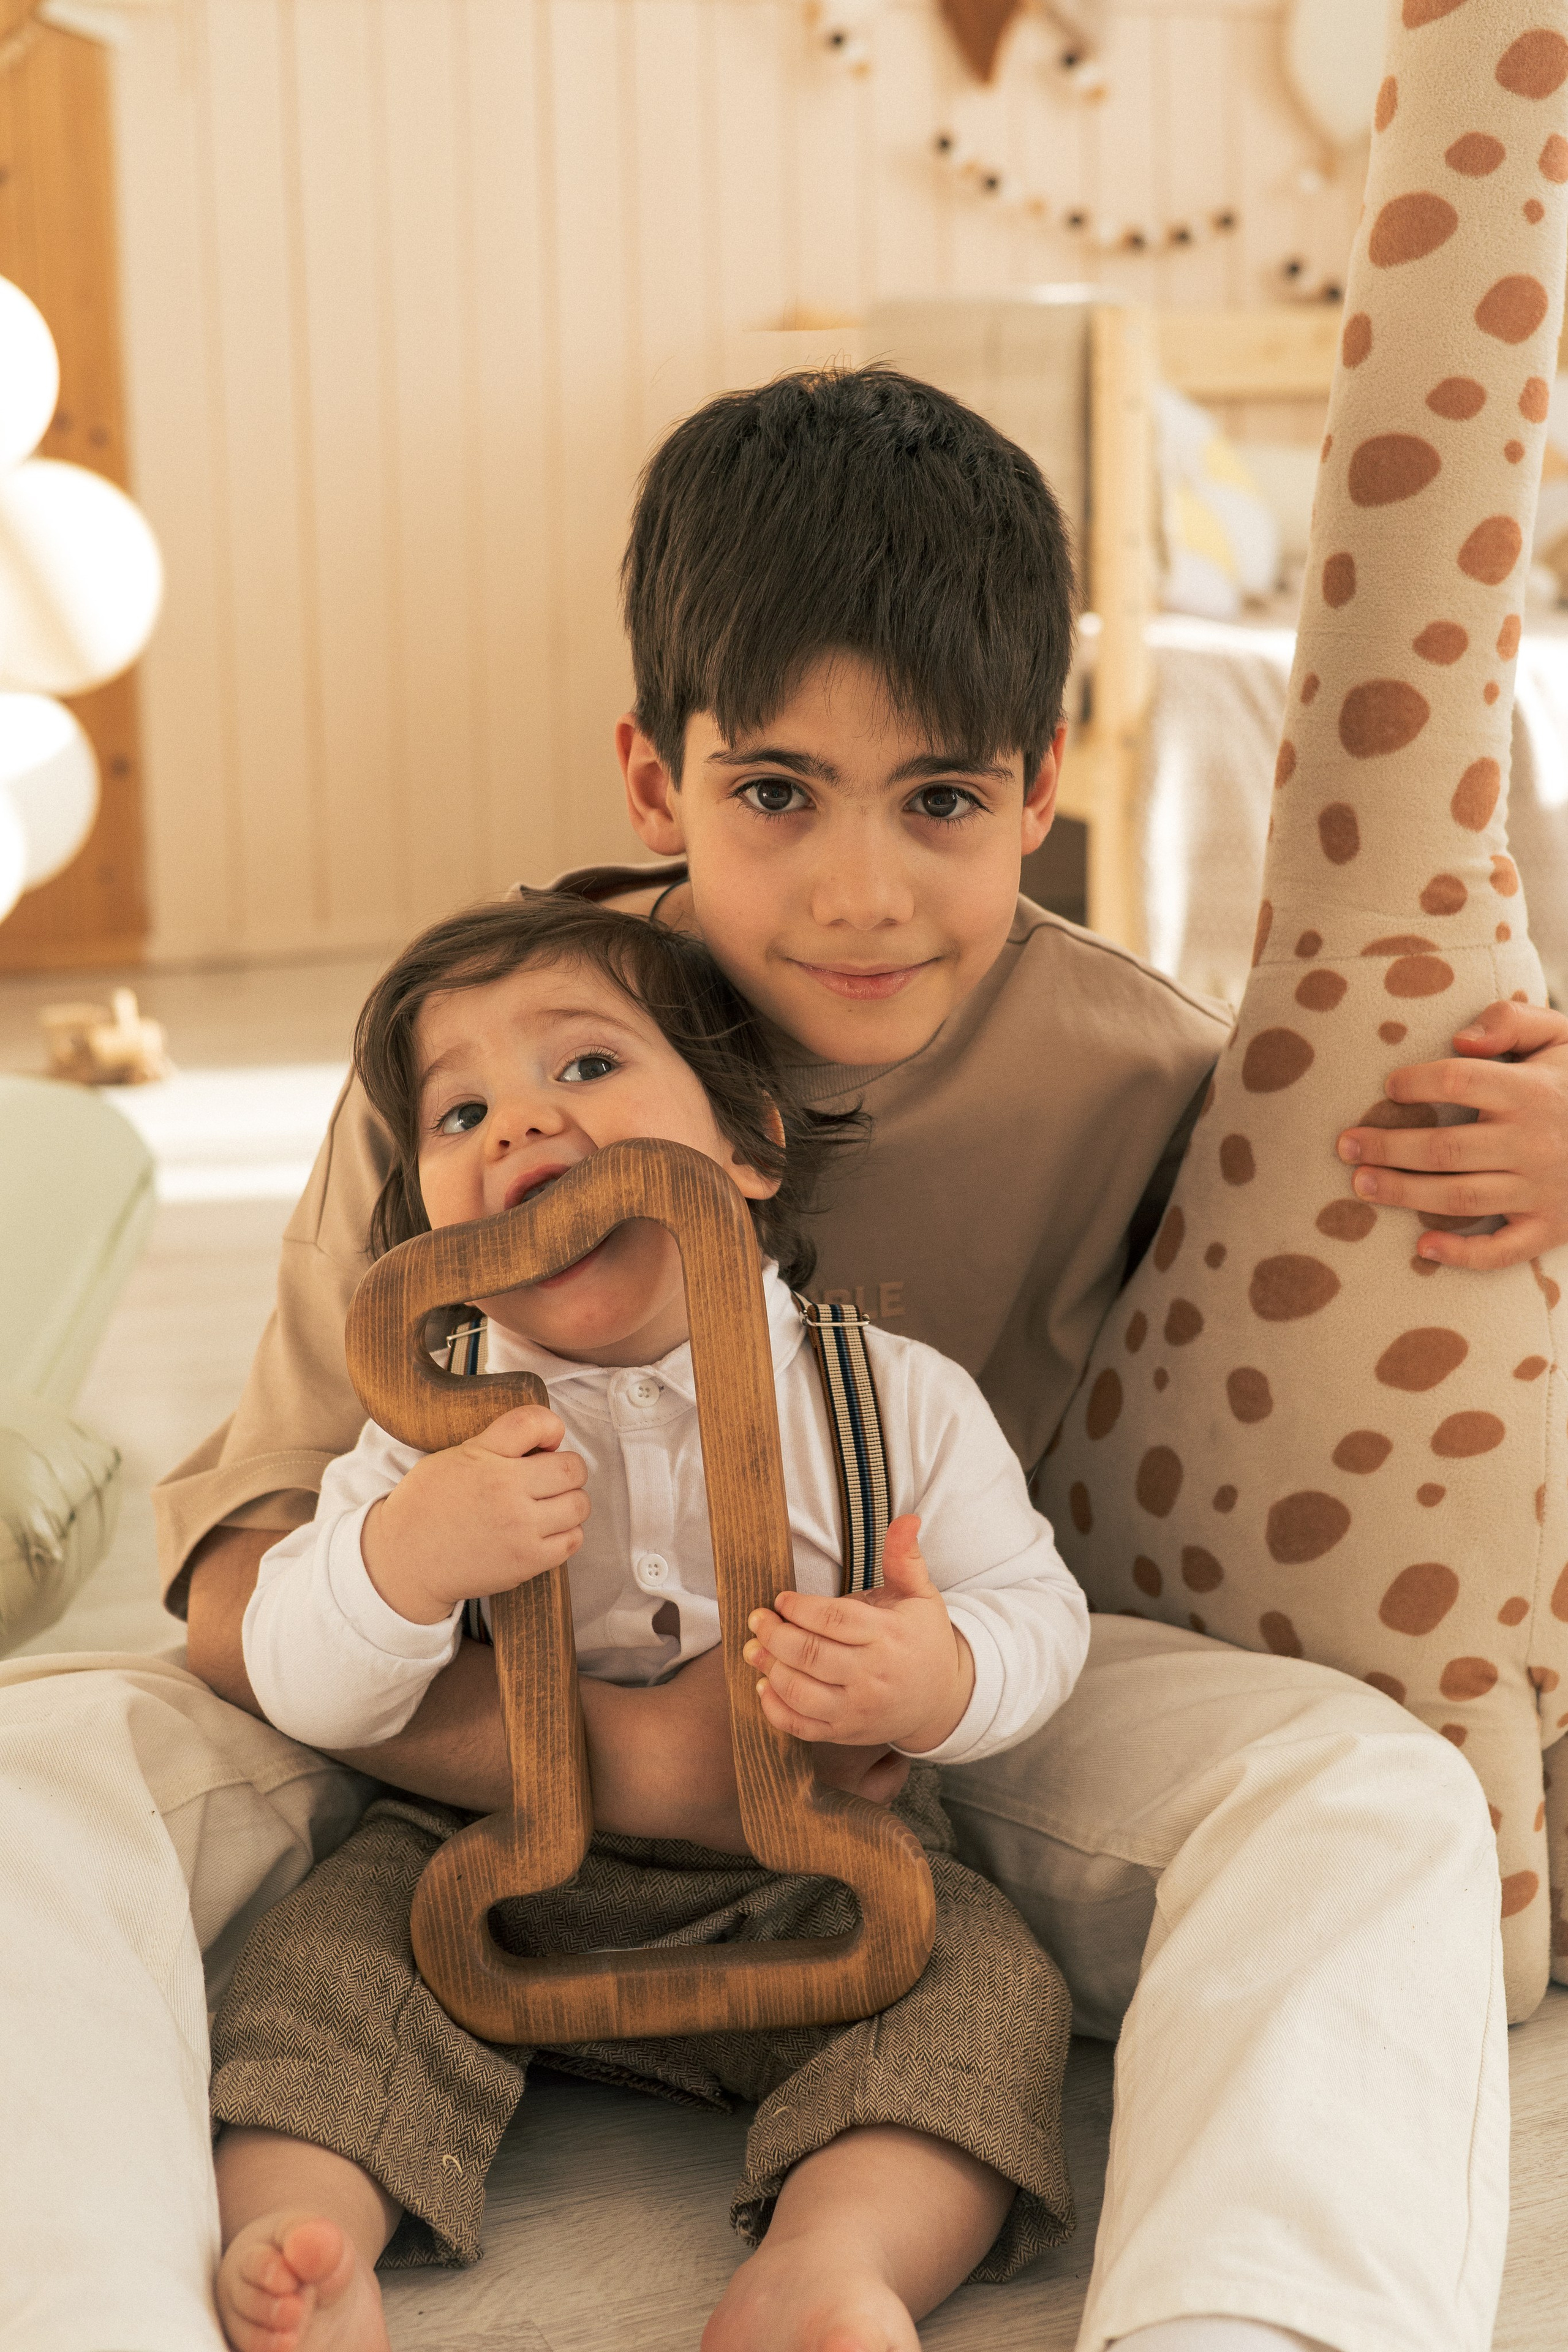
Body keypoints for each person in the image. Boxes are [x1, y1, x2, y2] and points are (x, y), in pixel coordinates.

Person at [3, 367, 1561, 2352]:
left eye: (939, 800)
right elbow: (246, 1569)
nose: (858, 889)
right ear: (655, 782)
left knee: (1371, 1797)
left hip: (916, 1715)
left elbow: (1376, 1259)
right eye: (774, 793)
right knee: (33, 1763)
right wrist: (597, 1752)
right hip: (451, 1706)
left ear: (1042, 781)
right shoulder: (479, 1067)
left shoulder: (1153, 1071)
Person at [209, 891, 1090, 2352]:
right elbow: (301, 1682)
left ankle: (832, 2260)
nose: (517, 1130)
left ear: (743, 1143)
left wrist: (936, 1676)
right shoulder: (425, 1428)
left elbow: (1036, 1618)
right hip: (475, 1867)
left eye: (587, 1068)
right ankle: (310, 2244)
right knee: (319, 1971)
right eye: (460, 1112)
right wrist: (402, 1563)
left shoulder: (890, 1397)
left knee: (983, 1988)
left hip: (804, 1865)